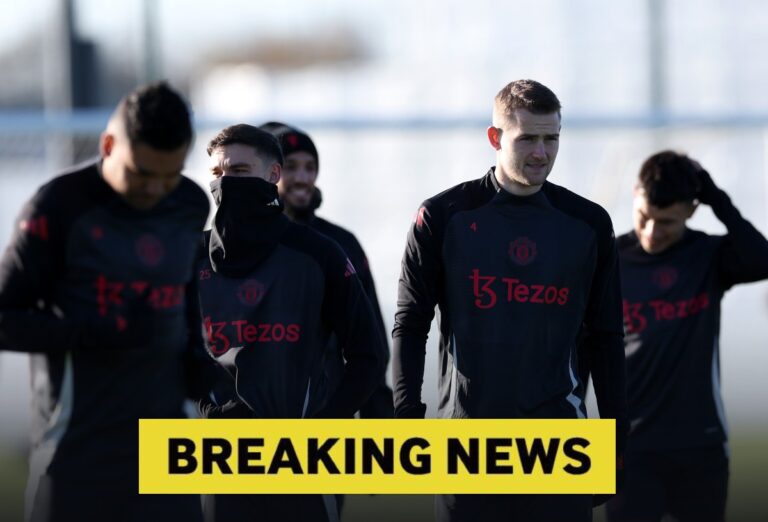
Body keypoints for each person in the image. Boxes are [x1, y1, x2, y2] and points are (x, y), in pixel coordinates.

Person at [392, 79, 627, 522]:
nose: (541, 153)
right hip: (467, 444)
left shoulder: (588, 223)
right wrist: (406, 416)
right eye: (528, 139)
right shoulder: (443, 216)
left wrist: (616, 439)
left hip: (560, 446)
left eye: (551, 139)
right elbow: (411, 322)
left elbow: (607, 338)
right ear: (495, 138)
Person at [0, 82, 213, 522]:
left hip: (167, 448)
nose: (155, 189)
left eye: (169, 175)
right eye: (140, 173)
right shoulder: (57, 208)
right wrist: (92, 332)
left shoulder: (191, 204)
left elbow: (187, 289)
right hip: (76, 452)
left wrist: (197, 352)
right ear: (109, 145)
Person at [196, 124, 384, 522]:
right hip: (222, 460)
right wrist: (208, 410)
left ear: (271, 175)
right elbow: (174, 350)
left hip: (305, 463)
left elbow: (369, 354)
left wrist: (323, 429)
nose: (226, 183)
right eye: (217, 174)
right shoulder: (192, 256)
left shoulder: (321, 253)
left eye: (240, 172)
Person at [607, 151, 768, 522]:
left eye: (666, 222)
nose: (652, 232)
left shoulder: (707, 256)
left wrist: (717, 199)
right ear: (635, 194)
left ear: (691, 211)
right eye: (645, 216)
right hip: (627, 446)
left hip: (700, 445)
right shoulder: (608, 259)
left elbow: (761, 259)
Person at [260, 121, 394, 420]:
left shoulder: (342, 243)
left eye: (310, 167)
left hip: (327, 415)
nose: (302, 177)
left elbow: (372, 346)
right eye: (290, 167)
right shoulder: (241, 245)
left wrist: (379, 420)